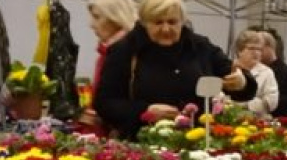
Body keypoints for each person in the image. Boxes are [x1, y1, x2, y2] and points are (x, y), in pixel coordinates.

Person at [95, 0, 257, 138]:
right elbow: (104, 103)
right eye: (158, 22)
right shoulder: (124, 51)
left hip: (196, 142)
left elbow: (240, 83)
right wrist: (144, 111)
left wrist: (241, 82)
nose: (166, 29)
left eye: (172, 22)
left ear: (182, 22)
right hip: (141, 143)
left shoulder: (200, 47)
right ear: (144, 24)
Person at [76, 0, 136, 132]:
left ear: (116, 17)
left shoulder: (129, 53)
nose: (91, 24)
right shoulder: (105, 52)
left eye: (97, 17)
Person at [227, 29, 279, 118]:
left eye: (258, 49)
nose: (256, 52)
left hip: (257, 121)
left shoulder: (267, 72)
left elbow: (272, 102)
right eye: (251, 48)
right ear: (240, 51)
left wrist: (245, 104)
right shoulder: (228, 68)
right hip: (228, 119)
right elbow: (218, 97)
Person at [258, 29, 287, 119]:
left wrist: (267, 101)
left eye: (259, 49)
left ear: (269, 47)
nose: (256, 53)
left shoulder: (286, 73)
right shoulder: (257, 69)